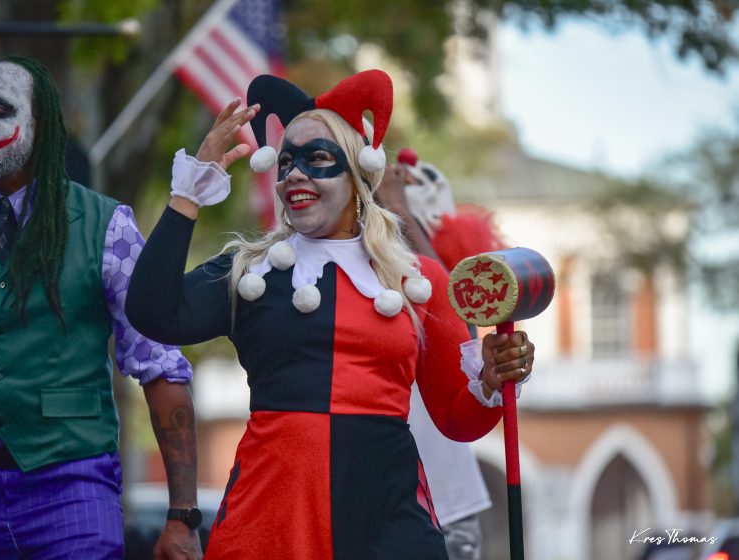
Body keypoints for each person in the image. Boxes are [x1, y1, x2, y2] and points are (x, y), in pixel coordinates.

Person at [126, 70, 535, 560]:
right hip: (272, 515)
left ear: (358, 175)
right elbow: (151, 313)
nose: (294, 174)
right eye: (286, 162)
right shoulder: (248, 272)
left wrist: (490, 378)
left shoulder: (419, 279)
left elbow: (457, 421)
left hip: (386, 516)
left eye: (318, 159)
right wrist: (188, 195)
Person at [0, 56, 201, 560]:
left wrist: (182, 515)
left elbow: (161, 366)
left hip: (72, 486)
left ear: (41, 124)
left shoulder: (108, 228)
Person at [376, 149, 507, 560]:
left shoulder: (443, 293)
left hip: (444, 508)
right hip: (381, 503)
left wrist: (397, 205)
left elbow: (441, 289)